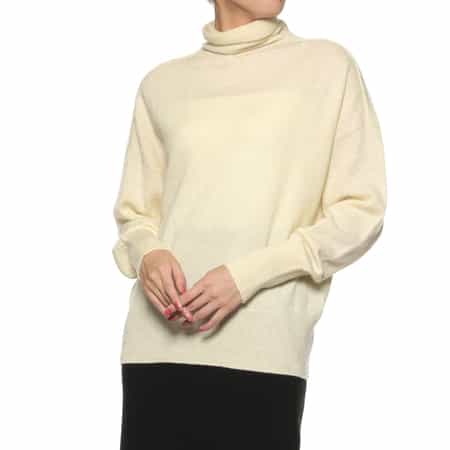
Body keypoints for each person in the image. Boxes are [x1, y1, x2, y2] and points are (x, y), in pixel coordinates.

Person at [112, 1, 387, 449]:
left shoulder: (326, 67)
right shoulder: (162, 84)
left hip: (262, 353)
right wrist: (149, 253)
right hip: (155, 349)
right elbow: (136, 214)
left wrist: (246, 277)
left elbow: (360, 212)